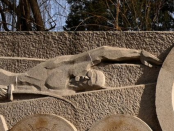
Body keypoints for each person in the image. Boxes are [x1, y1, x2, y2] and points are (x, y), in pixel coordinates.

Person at [0, 46, 160, 101]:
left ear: (87, 89)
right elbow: (103, 52)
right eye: (89, 74)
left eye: (88, 82)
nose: (84, 77)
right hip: (7, 79)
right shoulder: (68, 65)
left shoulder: (69, 93)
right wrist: (138, 53)